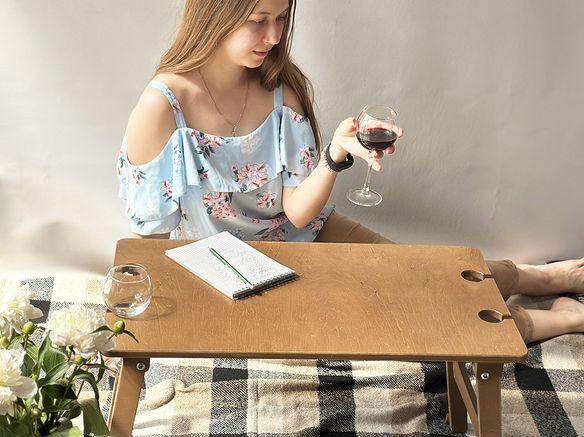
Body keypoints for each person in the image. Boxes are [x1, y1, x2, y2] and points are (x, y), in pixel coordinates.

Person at [116, 0, 584, 345]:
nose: (274, 36)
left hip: (309, 236)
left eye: (281, 19)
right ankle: (559, 320)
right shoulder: (163, 108)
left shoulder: (281, 89)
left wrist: (335, 156)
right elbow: (150, 238)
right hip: (234, 272)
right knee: (424, 318)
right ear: (214, 14)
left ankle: (532, 279)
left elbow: (298, 214)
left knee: (430, 276)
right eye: (259, 21)